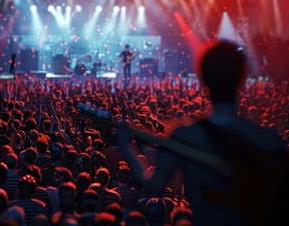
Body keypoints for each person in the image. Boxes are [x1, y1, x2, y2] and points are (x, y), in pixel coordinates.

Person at [117, 40, 287, 226]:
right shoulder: (269, 140)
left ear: (203, 79)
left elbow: (153, 187)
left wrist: (125, 144)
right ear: (242, 79)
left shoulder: (186, 136)